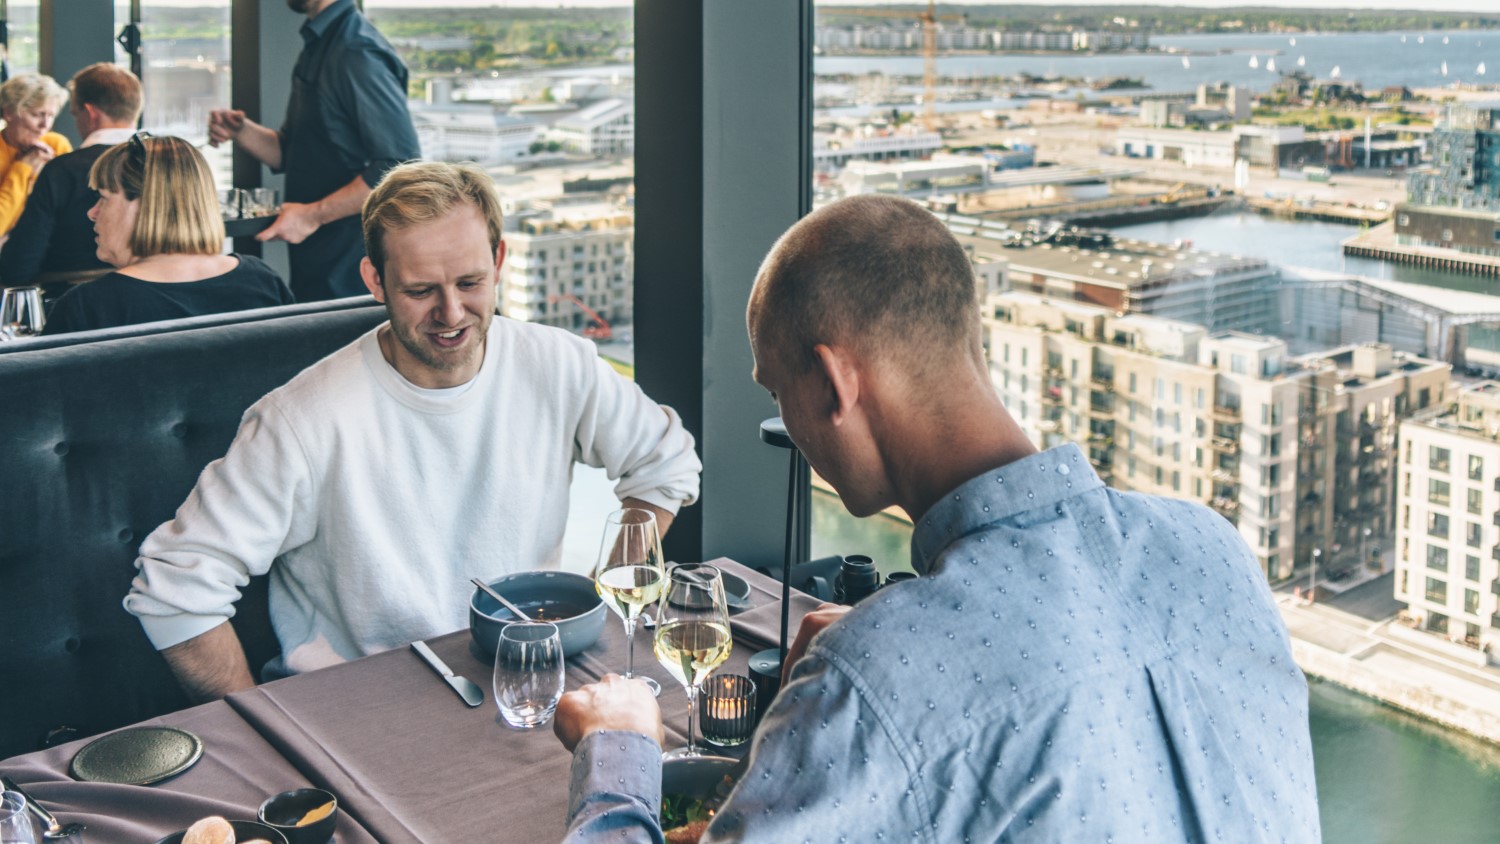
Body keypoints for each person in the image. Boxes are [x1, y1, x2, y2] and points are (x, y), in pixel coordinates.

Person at [554, 195, 1322, 842]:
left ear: (831, 382)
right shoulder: (1214, 550)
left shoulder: (875, 669)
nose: (784, 422)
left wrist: (619, 749)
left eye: (775, 392)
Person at [124, 161, 701, 703]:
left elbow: (665, 464)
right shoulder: (300, 419)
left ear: (499, 260)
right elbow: (175, 586)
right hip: (363, 706)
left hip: (527, 679)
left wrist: (607, 593)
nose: (452, 314)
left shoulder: (559, 363)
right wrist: (259, 728)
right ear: (375, 279)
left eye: (471, 282)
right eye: (421, 291)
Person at [206, 0, 420, 302]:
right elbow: (291, 152)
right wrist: (241, 131)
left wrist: (312, 216)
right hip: (317, 265)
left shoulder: (355, 50)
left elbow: (400, 165)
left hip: (352, 272)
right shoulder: (320, 43)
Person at [41, 135, 292, 335]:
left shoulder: (88, 308)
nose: (92, 213)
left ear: (144, 206)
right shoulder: (262, 281)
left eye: (103, 198)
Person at [1, 63, 142, 287]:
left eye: (74, 115)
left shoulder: (62, 168)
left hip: (67, 293)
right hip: (159, 295)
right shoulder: (170, 161)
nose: (45, 125)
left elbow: (21, 262)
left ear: (89, 113)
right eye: (37, 114)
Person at [0, 73, 71, 236]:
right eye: (37, 114)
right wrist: (22, 169)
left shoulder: (57, 145)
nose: (44, 125)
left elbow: (67, 214)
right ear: (9, 113)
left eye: (51, 115)